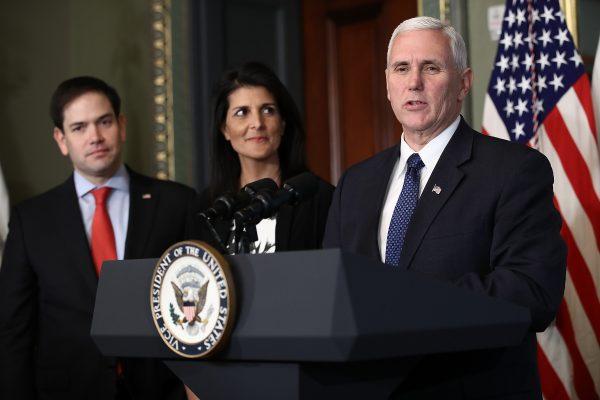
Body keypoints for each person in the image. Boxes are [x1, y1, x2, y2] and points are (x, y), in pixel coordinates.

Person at [323, 17, 566, 399]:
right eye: (402, 68)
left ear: (463, 83)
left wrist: (413, 304)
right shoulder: (356, 183)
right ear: (388, 83)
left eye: (431, 67)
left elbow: (532, 292)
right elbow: (331, 295)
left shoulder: (514, 171)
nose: (414, 82)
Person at [0, 76, 194, 400]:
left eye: (104, 122)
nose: (95, 136)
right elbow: (13, 332)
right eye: (79, 128)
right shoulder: (31, 220)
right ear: (61, 139)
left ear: (121, 125)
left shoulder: (177, 203)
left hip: (160, 389)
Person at [194, 62, 333, 254]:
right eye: (242, 112)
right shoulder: (207, 207)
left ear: (283, 123)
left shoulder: (320, 198)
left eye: (268, 110)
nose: (257, 123)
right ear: (224, 129)